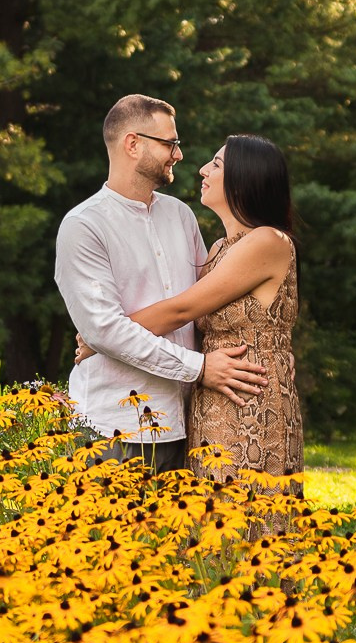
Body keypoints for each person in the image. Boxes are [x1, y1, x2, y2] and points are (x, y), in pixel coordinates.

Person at [54, 95, 268, 472]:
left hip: (186, 426)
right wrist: (199, 367)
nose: (179, 155)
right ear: (133, 144)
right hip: (112, 430)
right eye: (170, 143)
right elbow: (105, 329)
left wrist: (268, 352)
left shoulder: (181, 216)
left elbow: (207, 305)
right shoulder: (83, 226)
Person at [77, 134, 301, 486]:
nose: (202, 169)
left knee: (246, 506)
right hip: (210, 400)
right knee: (205, 510)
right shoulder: (219, 249)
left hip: (252, 402)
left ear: (244, 178)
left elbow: (182, 309)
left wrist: (100, 336)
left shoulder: (268, 241)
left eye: (217, 164)